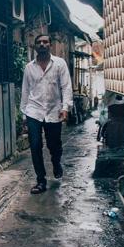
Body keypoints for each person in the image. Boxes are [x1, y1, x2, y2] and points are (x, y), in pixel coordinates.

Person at [20, 34, 72, 194]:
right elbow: (25, 91)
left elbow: (66, 86)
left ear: (50, 45)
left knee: (54, 146)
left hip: (53, 111)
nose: (42, 44)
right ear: (35, 46)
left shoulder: (59, 64)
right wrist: (24, 115)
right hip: (33, 111)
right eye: (39, 42)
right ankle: (41, 181)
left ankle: (56, 163)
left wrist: (65, 107)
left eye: (45, 42)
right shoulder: (29, 67)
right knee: (35, 146)